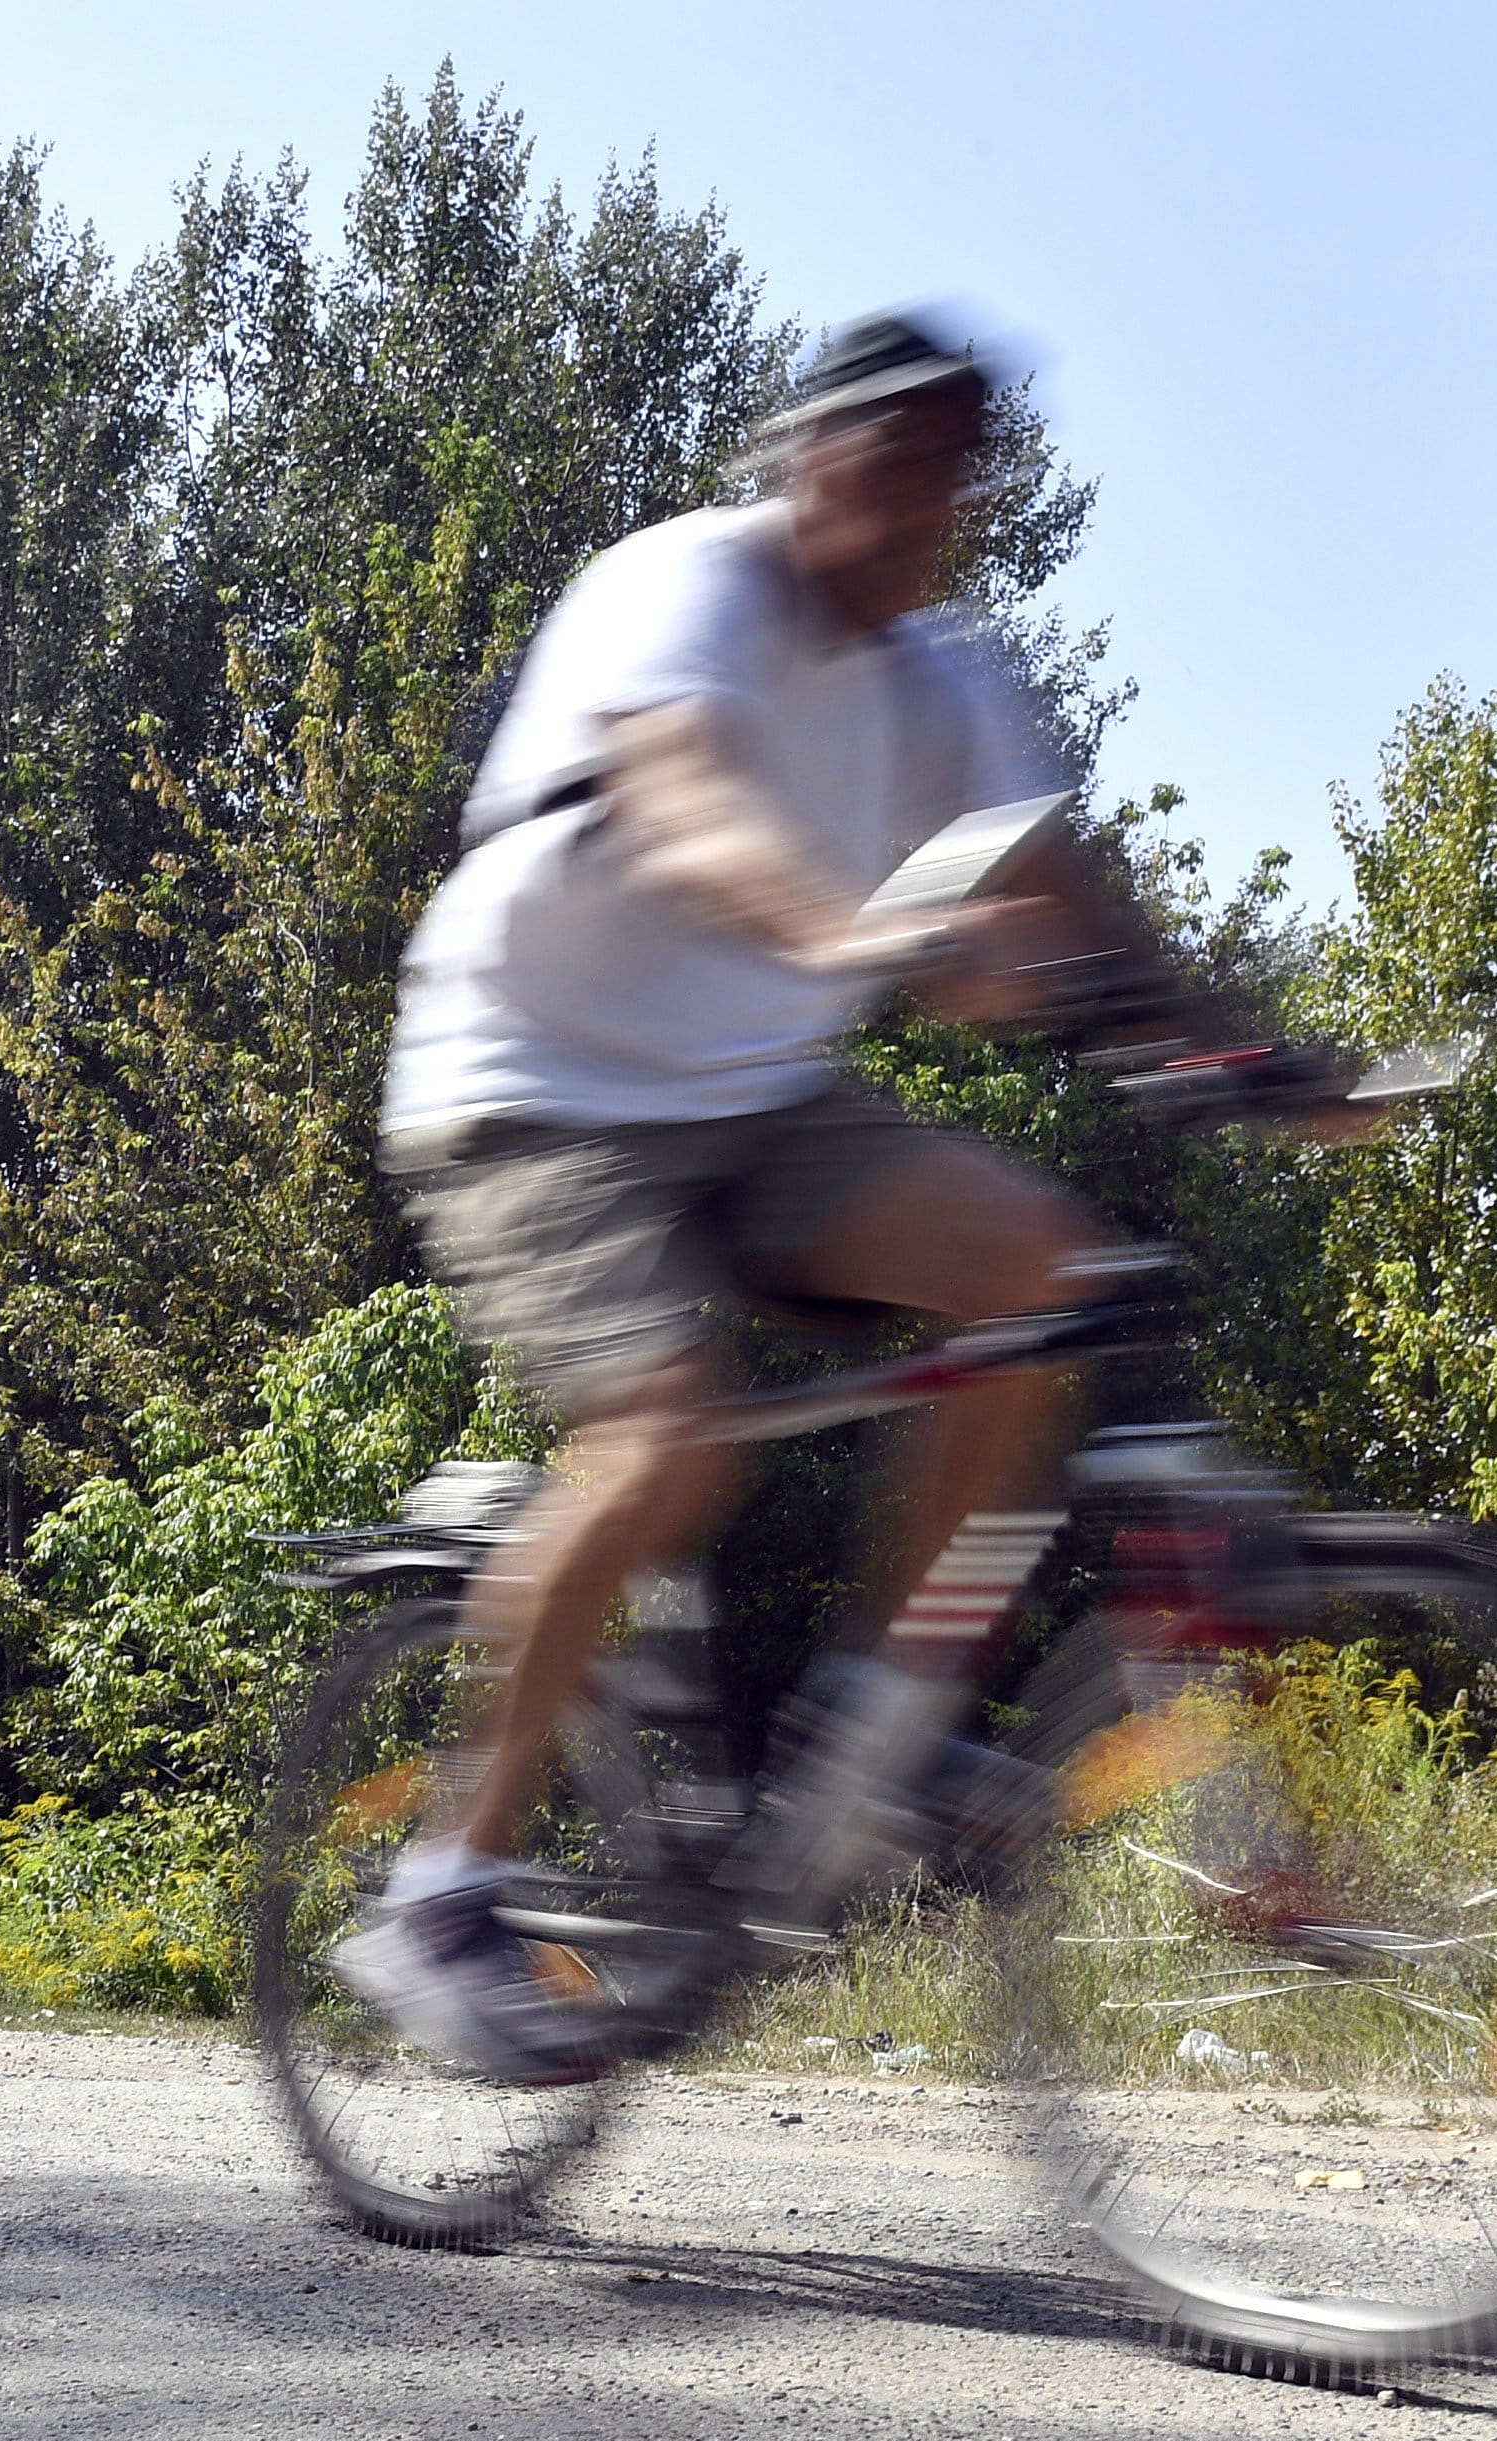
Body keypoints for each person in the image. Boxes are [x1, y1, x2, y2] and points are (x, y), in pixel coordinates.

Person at [340, 307, 1157, 2084]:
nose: (923, 515)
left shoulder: (944, 682)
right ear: (806, 462)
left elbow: (1066, 889)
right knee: (672, 1440)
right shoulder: (684, 586)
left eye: (955, 483)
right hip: (530, 1086)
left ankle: (887, 1721)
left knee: (1048, 1270)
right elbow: (690, 802)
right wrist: (853, 931)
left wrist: (1252, 1055)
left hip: (754, 1095)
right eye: (891, 470)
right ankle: (444, 1890)